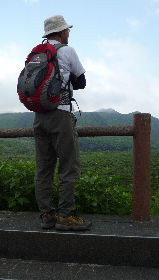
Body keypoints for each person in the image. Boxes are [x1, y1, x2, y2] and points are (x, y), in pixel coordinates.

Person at [34, 15, 92, 231]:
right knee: (68, 167)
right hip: (60, 114)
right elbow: (82, 82)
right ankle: (66, 216)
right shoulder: (67, 51)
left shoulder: (37, 53)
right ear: (61, 32)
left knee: (43, 168)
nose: (69, 33)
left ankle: (46, 215)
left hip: (39, 115)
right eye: (67, 30)